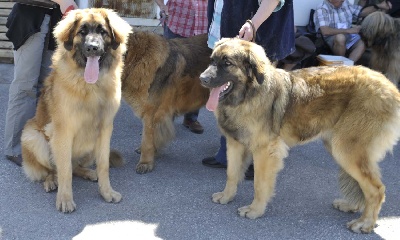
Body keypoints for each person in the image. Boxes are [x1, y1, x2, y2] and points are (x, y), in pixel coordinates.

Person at [202, 0, 295, 180]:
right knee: (229, 99)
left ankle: (256, 161)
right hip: (227, 30)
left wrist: (254, 23)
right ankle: (228, 154)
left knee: (257, 105)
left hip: (257, 36)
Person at [3, 0, 77, 166]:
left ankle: (41, 144)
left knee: (47, 88)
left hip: (55, 20)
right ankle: (16, 148)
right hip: (30, 17)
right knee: (25, 86)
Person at [154, 0, 208, 134]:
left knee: (197, 76)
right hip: (177, 25)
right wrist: (162, 6)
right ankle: (164, 118)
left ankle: (191, 118)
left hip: (202, 28)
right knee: (169, 76)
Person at [313, 0, 392, 62]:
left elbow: (362, 12)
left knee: (364, 40)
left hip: (348, 35)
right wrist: (348, 30)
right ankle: (341, 63)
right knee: (340, 37)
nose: (343, 1)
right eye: (340, 0)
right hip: (331, 38)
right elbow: (325, 31)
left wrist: (378, 6)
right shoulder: (322, 8)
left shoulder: (344, 3)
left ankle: (348, 65)